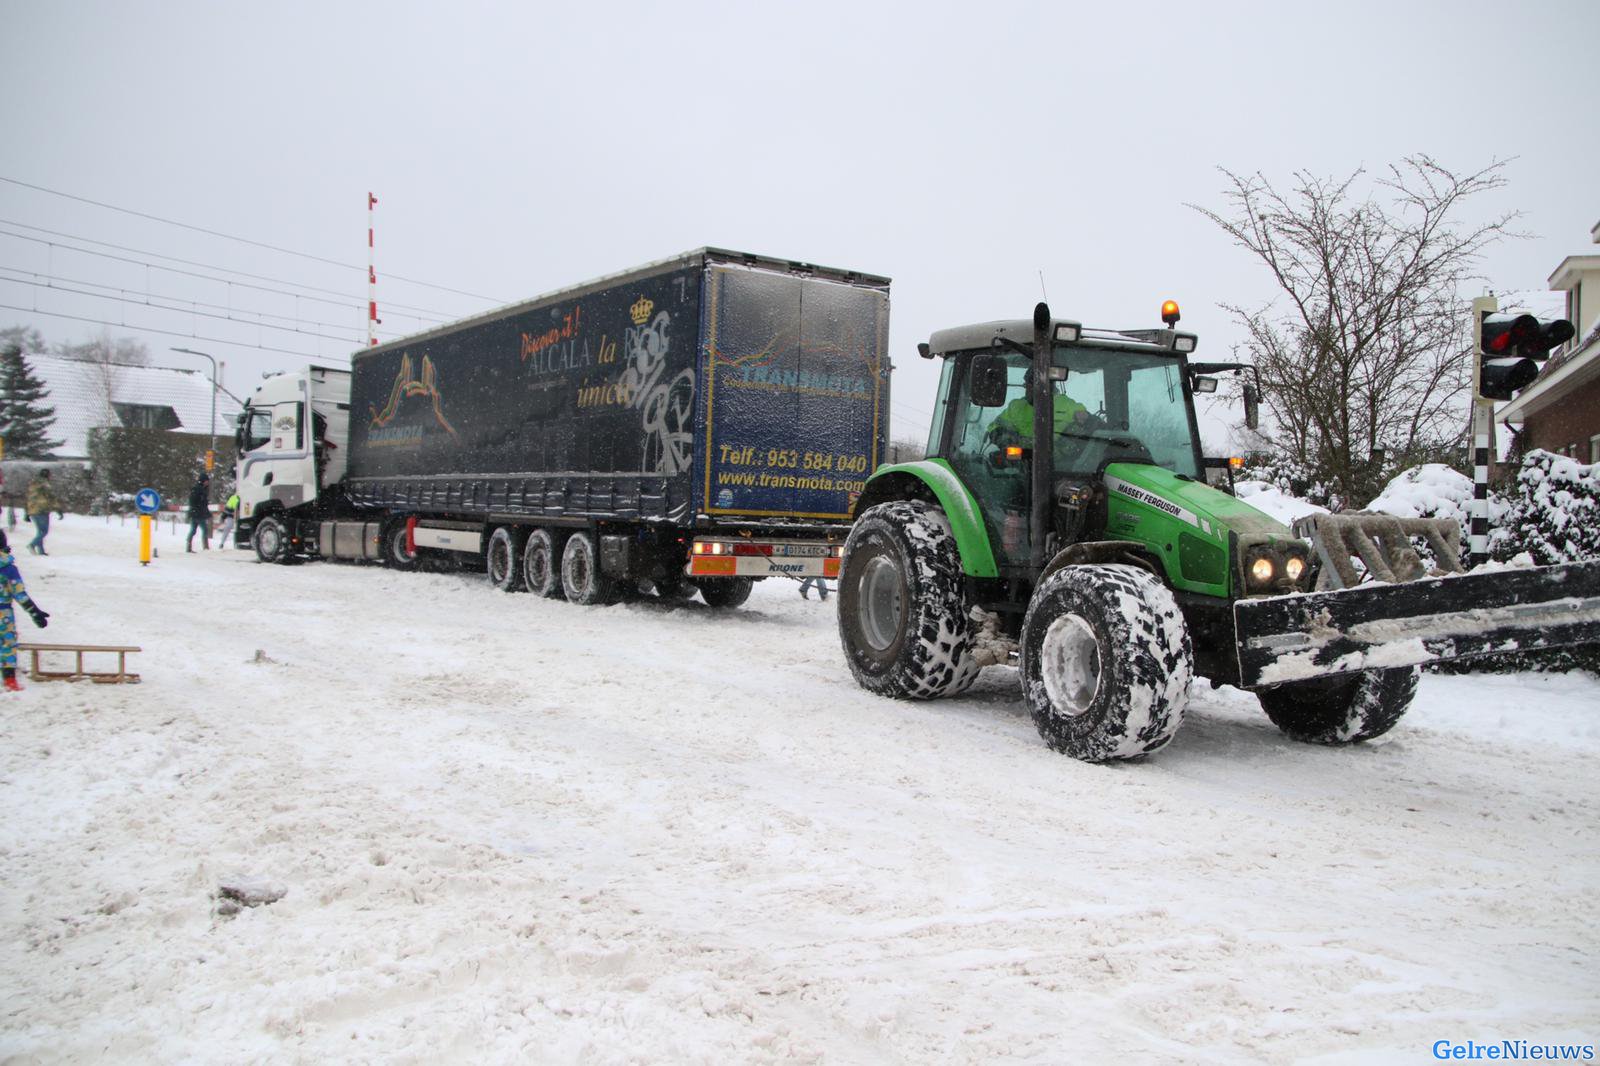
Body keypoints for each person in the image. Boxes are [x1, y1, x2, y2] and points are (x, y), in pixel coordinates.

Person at [0, 530, 49, 692]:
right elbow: (19, 594)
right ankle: (9, 679)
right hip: (3, 614)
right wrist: (35, 613)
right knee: (7, 645)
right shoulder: (8, 568)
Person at [24, 468, 62, 556]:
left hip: (32, 509)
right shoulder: (45, 484)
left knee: (40, 531)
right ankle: (32, 545)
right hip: (42, 509)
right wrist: (58, 509)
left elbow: (28, 498)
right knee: (44, 531)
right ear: (47, 475)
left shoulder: (32, 484)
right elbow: (52, 498)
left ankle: (41, 551)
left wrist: (27, 512)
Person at [186, 473, 212, 552]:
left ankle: (188, 546)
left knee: (193, 530)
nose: (208, 482)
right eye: (207, 481)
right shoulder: (199, 489)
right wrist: (202, 511)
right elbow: (199, 503)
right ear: (203, 481)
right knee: (204, 529)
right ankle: (205, 547)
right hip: (198, 513)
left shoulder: (200, 489)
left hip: (196, 513)